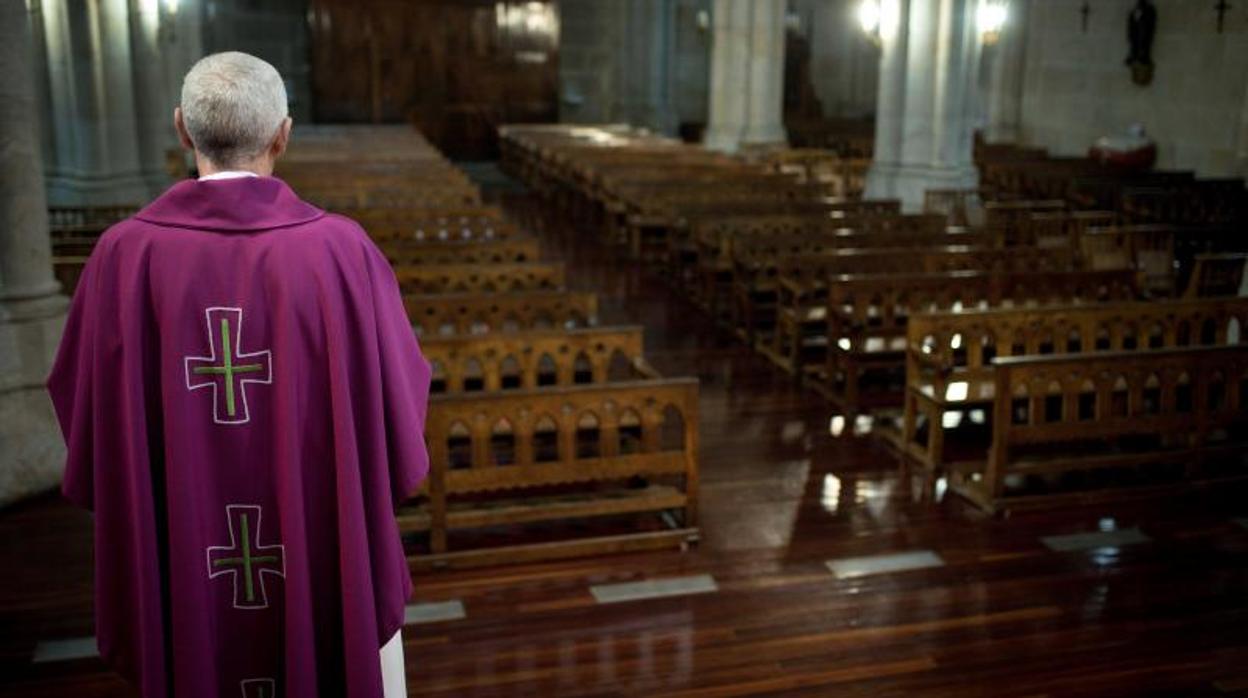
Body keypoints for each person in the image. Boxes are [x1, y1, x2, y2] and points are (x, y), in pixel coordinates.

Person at [47, 51, 430, 698]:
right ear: (284, 134)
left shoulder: (121, 257)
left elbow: (85, 412)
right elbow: (400, 399)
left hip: (183, 557)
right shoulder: (342, 253)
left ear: (181, 130)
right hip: (318, 545)